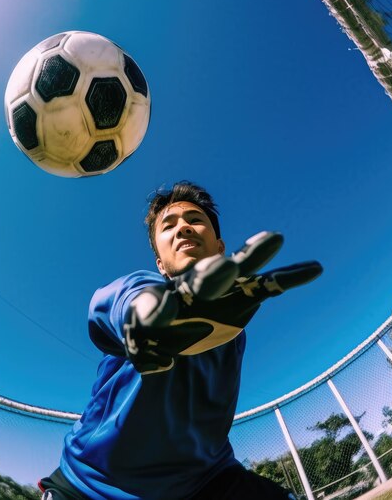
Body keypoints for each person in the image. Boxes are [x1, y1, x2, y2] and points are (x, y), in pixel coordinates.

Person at [39, 181, 322, 500]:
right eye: (169, 225)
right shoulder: (141, 289)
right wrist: (146, 319)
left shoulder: (234, 319)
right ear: (160, 263)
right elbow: (115, 305)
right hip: (91, 487)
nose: (184, 227)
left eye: (195, 219)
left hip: (208, 480)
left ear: (219, 247)